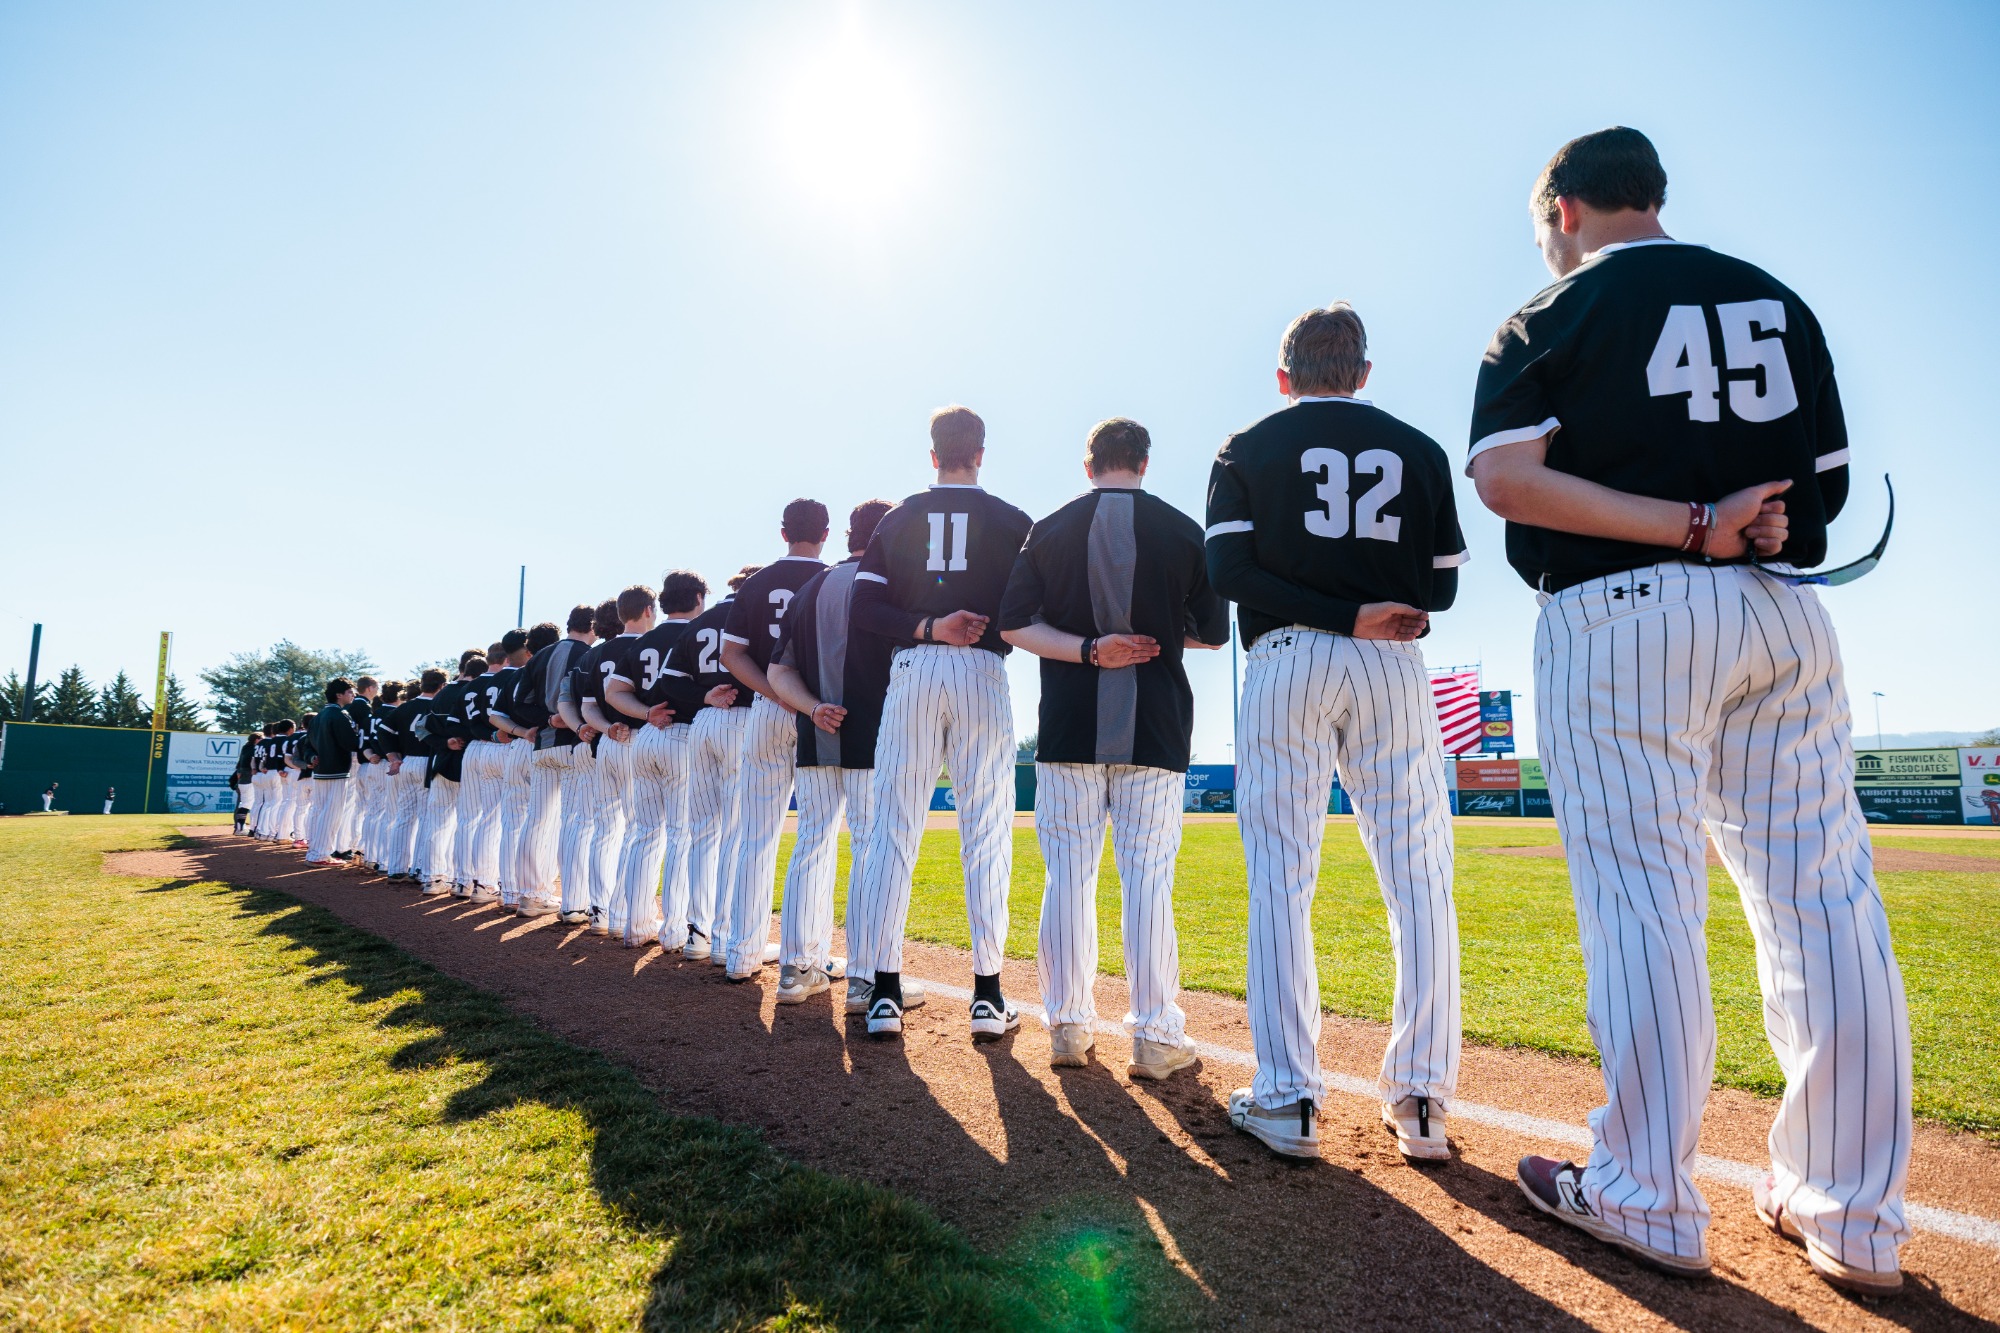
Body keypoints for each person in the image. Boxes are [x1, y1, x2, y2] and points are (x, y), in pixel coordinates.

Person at [1467, 127, 1908, 1294]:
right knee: (1823, 900)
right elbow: (1819, 493)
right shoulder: (1772, 297)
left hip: (1623, 613)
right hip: (1780, 611)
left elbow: (1505, 479)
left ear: (1563, 209)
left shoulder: (1549, 308)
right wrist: (1741, 524)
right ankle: (1853, 1214)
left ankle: (1643, 1194)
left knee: (1642, 898)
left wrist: (1687, 523)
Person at [1207, 303, 1466, 1162]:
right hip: (1392, 660)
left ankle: (1287, 1097)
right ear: (1363, 373)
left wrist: (1333, 610)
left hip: (1287, 657)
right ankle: (1422, 1100)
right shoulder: (1418, 447)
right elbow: (1442, 590)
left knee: (1282, 876)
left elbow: (1228, 570)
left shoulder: (1246, 446)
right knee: (1420, 875)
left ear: (1285, 377)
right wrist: (1366, 608)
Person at [1001, 417, 1229, 1079]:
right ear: (1144, 463)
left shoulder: (1049, 528)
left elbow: (1014, 624)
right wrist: (1149, 632)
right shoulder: (1184, 530)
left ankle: (1068, 1027)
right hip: (1155, 726)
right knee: (1148, 881)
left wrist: (1089, 649)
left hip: (1069, 727)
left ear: (1089, 464)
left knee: (1068, 877)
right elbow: (1214, 632)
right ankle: (1155, 1036)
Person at [848, 406, 1035, 1040]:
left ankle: (883, 993)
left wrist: (929, 624)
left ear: (933, 455)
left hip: (917, 667)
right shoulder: (1012, 520)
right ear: (980, 453)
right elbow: (1031, 610)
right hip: (982, 669)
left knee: (893, 830)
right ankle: (988, 995)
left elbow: (864, 606)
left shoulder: (899, 517)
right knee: (987, 831)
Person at [766, 499, 911, 1010]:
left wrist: (812, 709)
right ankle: (866, 979)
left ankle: (795, 970)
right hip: (875, 737)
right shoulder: (889, 585)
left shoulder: (811, 588)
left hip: (816, 737)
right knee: (871, 848)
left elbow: (778, 671)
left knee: (811, 844)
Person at [719, 500, 834, 981]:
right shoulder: (832, 577)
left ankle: (742, 954)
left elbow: (731, 654)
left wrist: (774, 692)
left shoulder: (756, 582)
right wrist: (799, 698)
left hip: (767, 710)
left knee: (756, 835)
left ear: (783, 532)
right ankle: (805, 958)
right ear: (826, 533)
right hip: (817, 711)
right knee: (817, 834)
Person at [658, 569, 758, 961]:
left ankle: (697, 933)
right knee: (736, 832)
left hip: (702, 724)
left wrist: (705, 696)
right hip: (743, 721)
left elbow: (669, 681)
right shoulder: (754, 615)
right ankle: (726, 937)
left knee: (702, 831)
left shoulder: (699, 622)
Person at [604, 572, 706, 948]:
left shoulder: (644, 640)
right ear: (698, 598)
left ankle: (636, 926)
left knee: (645, 834)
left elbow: (613, 692)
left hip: (646, 737)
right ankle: (675, 930)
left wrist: (646, 713)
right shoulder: (698, 632)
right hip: (683, 735)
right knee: (680, 835)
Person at [581, 589, 658, 937]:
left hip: (608, 742)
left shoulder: (597, 652)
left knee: (605, 828)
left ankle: (601, 912)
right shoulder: (650, 644)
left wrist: (605, 727)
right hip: (639, 738)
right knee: (638, 828)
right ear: (647, 610)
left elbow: (587, 706)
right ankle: (625, 913)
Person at [512, 607, 598, 914]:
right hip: (573, 743)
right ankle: (574, 904)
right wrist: (562, 719)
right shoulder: (589, 654)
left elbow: (519, 704)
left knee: (536, 819)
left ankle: (530, 895)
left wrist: (547, 719)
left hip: (542, 746)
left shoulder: (540, 656)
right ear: (593, 626)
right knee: (575, 820)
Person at [555, 601, 623, 925]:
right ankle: (615, 910)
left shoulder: (586, 657)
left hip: (588, 740)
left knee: (589, 825)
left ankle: (589, 907)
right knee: (629, 829)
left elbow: (564, 700)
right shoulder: (637, 647)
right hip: (626, 739)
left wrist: (579, 726)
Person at [488, 625, 553, 912]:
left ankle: (511, 892)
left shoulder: (513, 676)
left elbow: (494, 717)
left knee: (513, 822)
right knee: (541, 821)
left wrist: (518, 731)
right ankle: (535, 892)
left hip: (516, 747)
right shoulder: (542, 670)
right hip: (539, 744)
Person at [420, 652, 483, 896]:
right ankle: (463, 881)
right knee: (468, 822)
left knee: (437, 823)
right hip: (468, 763)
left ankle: (432, 879)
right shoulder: (476, 690)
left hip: (441, 762)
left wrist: (445, 743)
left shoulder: (441, 694)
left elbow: (422, 730)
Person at [455, 642, 511, 901]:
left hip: (474, 747)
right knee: (499, 817)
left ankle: (465, 881)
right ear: (507, 658)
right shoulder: (507, 679)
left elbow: (456, 723)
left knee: (470, 817)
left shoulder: (469, 686)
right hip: (502, 745)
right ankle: (489, 882)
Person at [381, 671, 445, 881]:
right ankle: (418, 867)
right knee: (426, 816)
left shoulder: (405, 707)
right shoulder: (437, 705)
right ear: (441, 686)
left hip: (407, 762)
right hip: (427, 762)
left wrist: (393, 757)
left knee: (404, 815)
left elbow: (383, 731)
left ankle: (395, 868)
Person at [305, 679, 363, 864]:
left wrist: (311, 758)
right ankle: (320, 854)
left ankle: (315, 851)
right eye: (350, 692)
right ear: (339, 695)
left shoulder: (318, 716)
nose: (353, 695)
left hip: (320, 770)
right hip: (336, 769)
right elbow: (350, 743)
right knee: (331, 813)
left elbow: (307, 745)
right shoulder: (340, 714)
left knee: (319, 811)